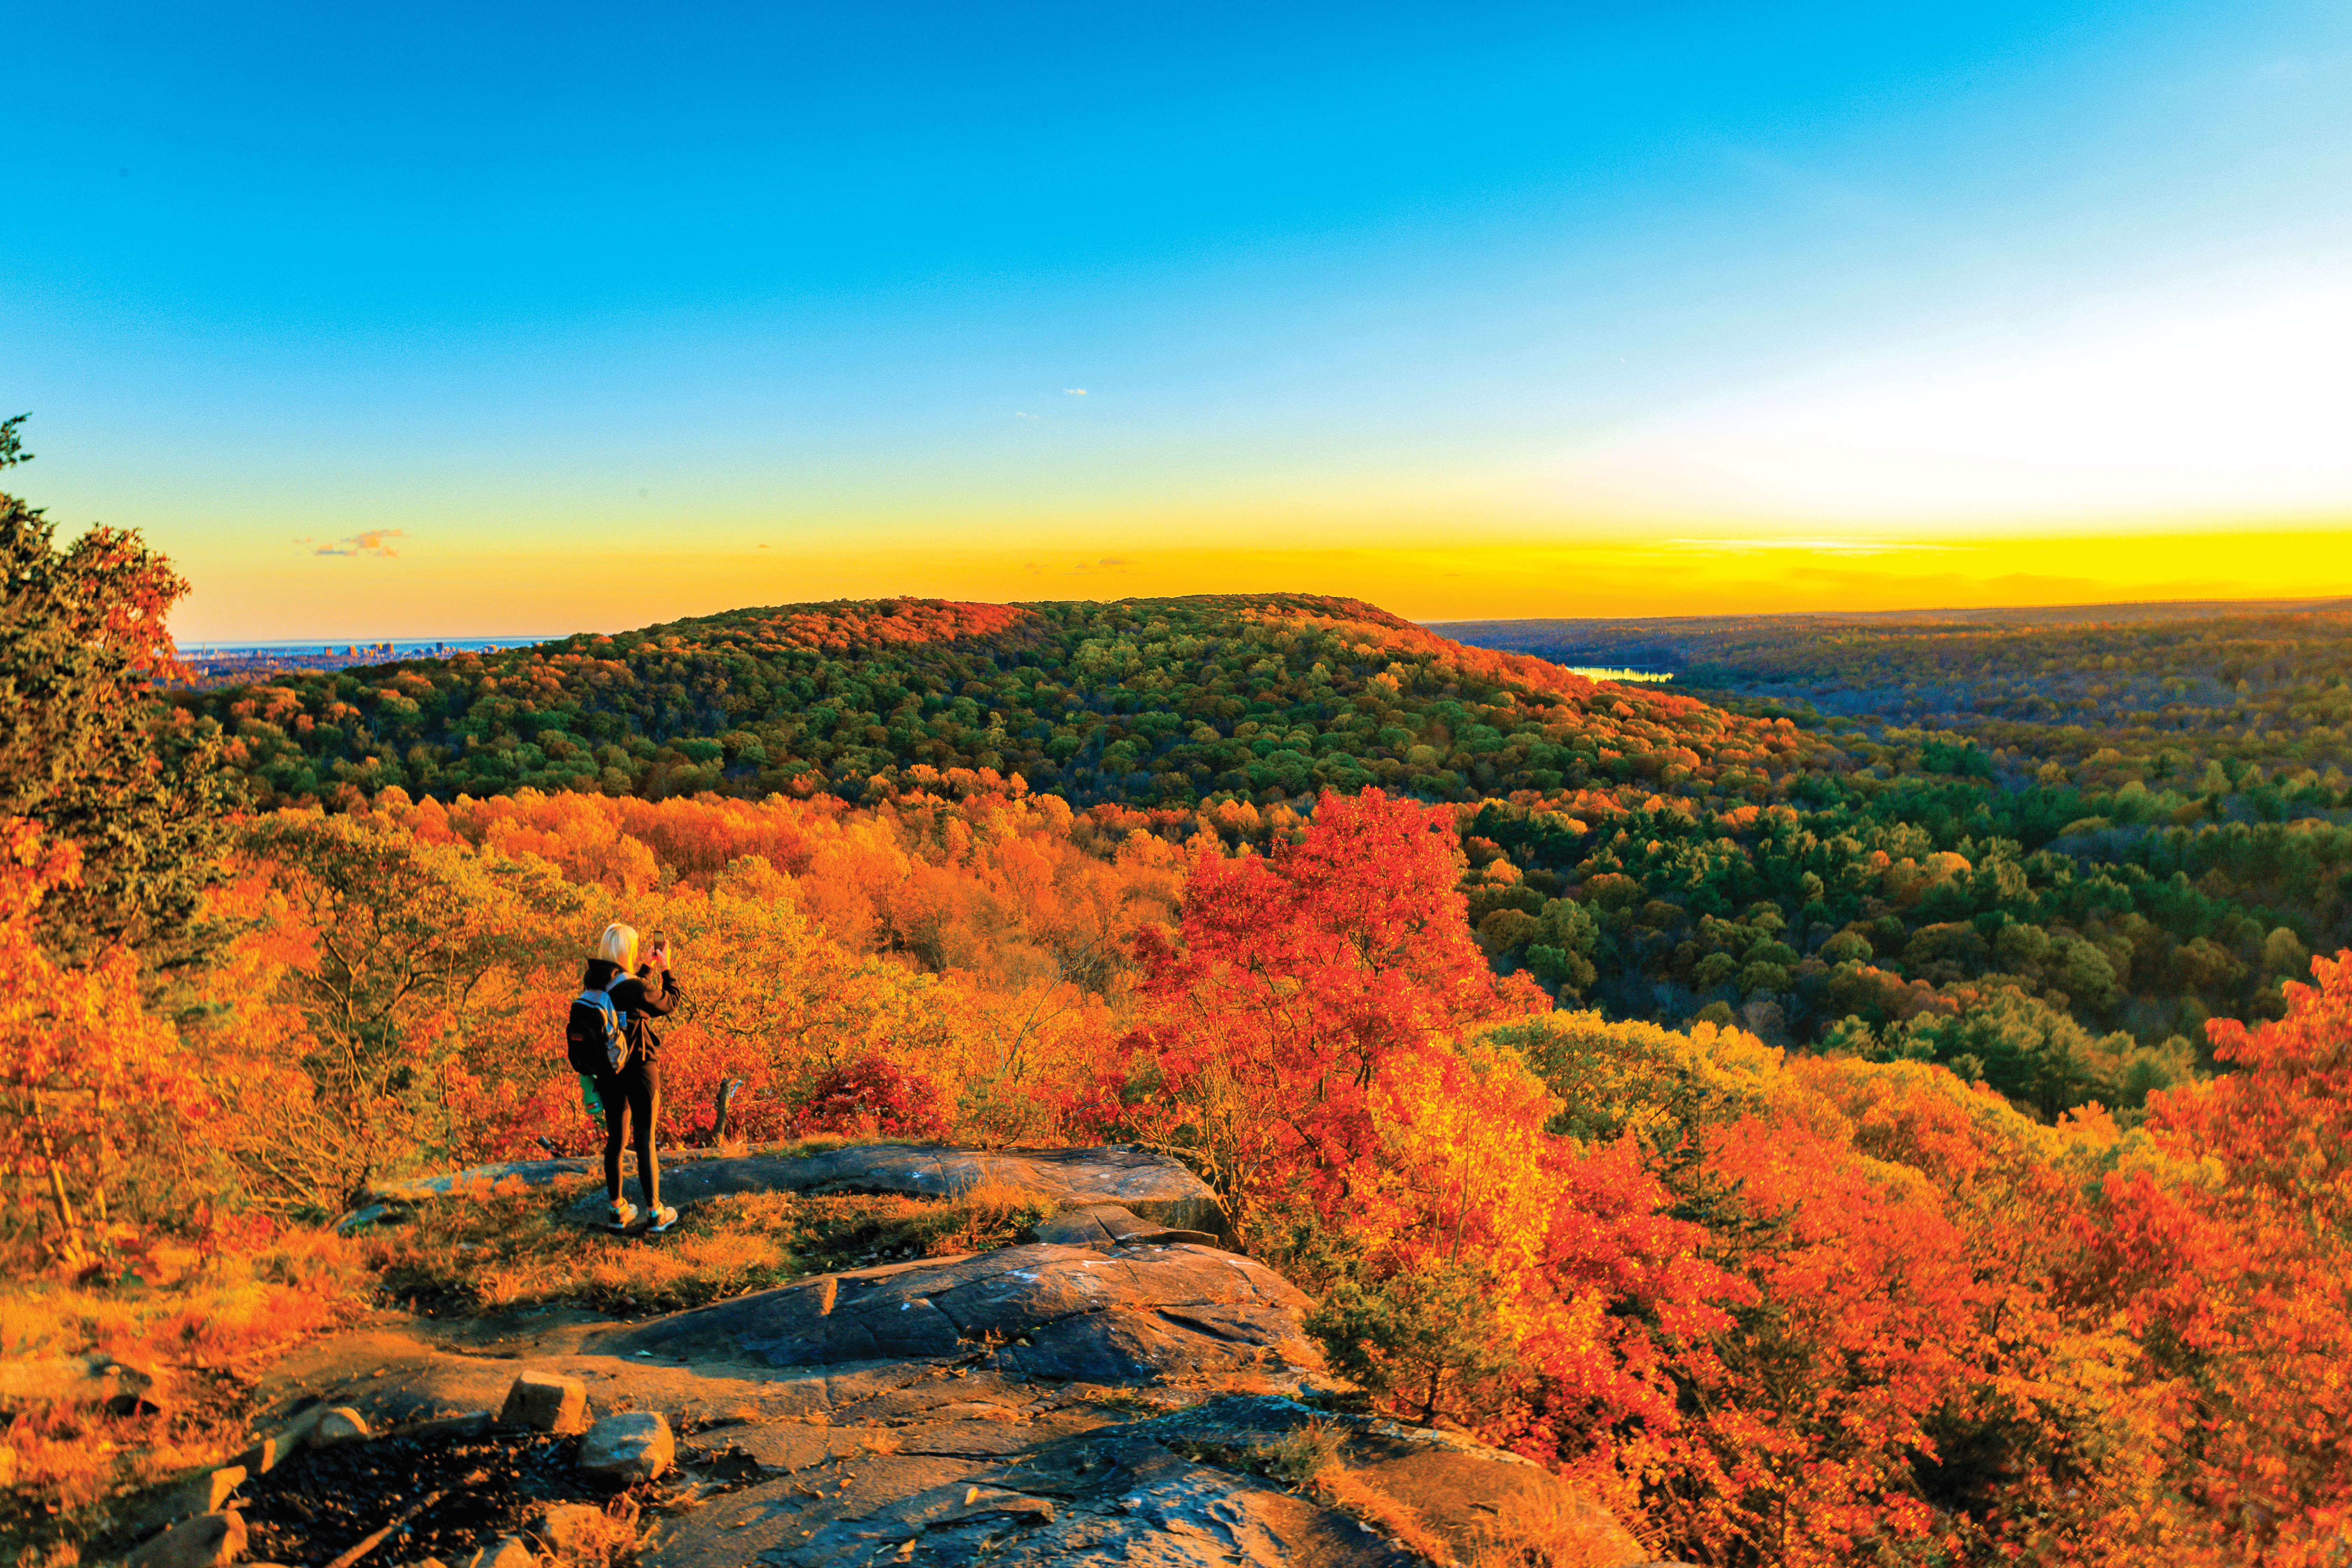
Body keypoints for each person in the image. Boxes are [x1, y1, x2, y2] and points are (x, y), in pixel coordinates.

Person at [583, 922, 680, 1232]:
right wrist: (666, 969)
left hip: (610, 1072)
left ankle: (617, 1212)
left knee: (616, 1140)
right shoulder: (635, 988)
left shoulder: (594, 983)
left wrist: (645, 969)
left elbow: (625, 992)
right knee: (645, 1139)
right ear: (628, 951)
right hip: (640, 1069)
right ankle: (655, 1214)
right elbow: (670, 1002)